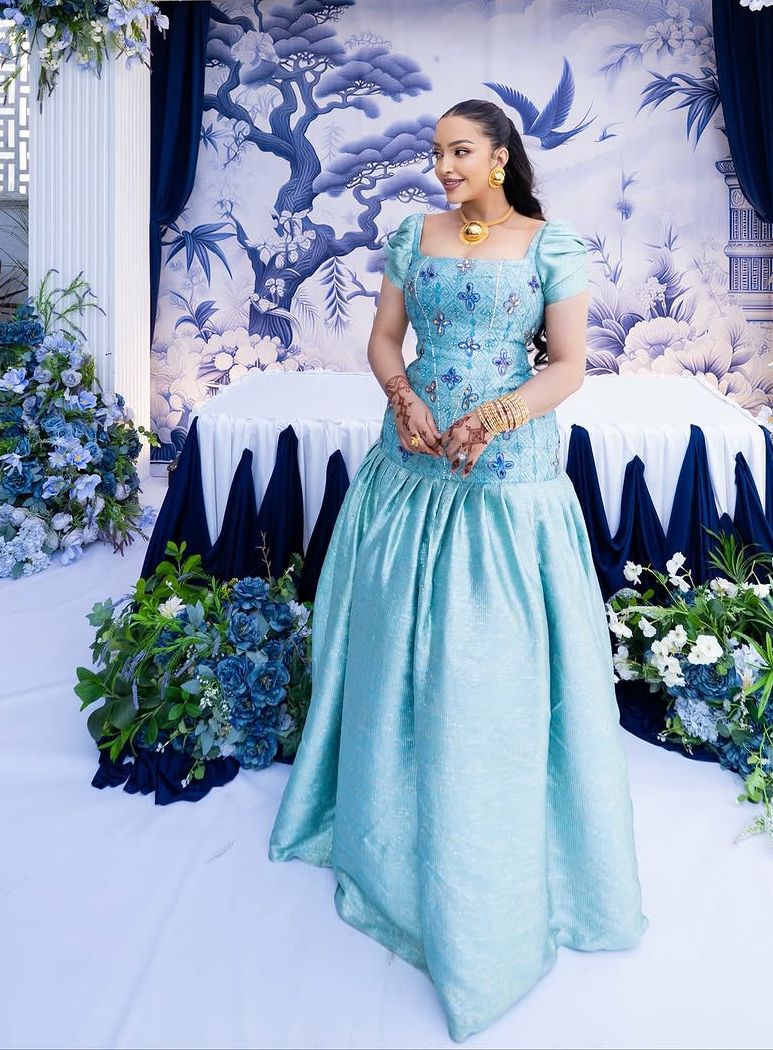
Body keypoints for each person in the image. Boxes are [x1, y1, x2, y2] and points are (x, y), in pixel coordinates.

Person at [269, 98, 647, 1041]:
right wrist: (399, 397)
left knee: (486, 670)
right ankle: (386, 819)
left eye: (461, 150)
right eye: (437, 152)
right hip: (411, 463)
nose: (443, 166)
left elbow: (566, 368)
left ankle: (486, 832)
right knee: (394, 640)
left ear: (502, 155)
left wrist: (498, 418)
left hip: (504, 478)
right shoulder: (415, 232)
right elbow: (385, 339)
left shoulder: (550, 245)